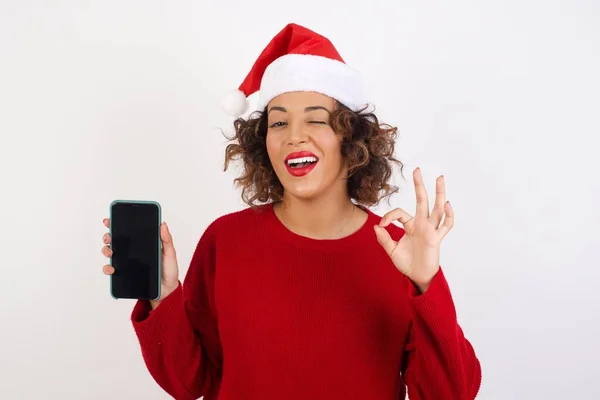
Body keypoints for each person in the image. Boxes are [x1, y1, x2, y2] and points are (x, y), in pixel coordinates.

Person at [101, 23, 481, 400]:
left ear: (351, 138)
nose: (293, 135)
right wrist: (162, 297)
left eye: (315, 120)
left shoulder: (400, 252)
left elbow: (451, 394)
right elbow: (189, 383)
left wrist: (427, 285)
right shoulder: (225, 240)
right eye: (278, 122)